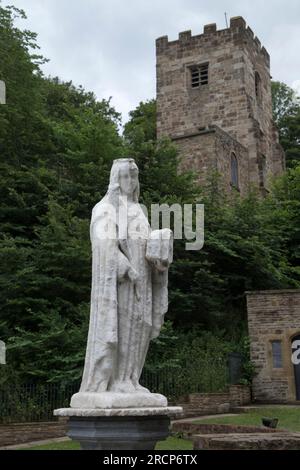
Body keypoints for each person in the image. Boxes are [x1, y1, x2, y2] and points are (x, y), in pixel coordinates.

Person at [79, 158, 172, 394]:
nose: (130, 181)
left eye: (133, 176)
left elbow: (146, 242)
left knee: (142, 327)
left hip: (145, 280)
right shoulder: (105, 208)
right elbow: (103, 244)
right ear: (116, 179)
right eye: (125, 176)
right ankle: (117, 380)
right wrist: (125, 266)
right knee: (123, 328)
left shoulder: (139, 211)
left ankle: (131, 378)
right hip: (123, 283)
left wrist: (160, 249)